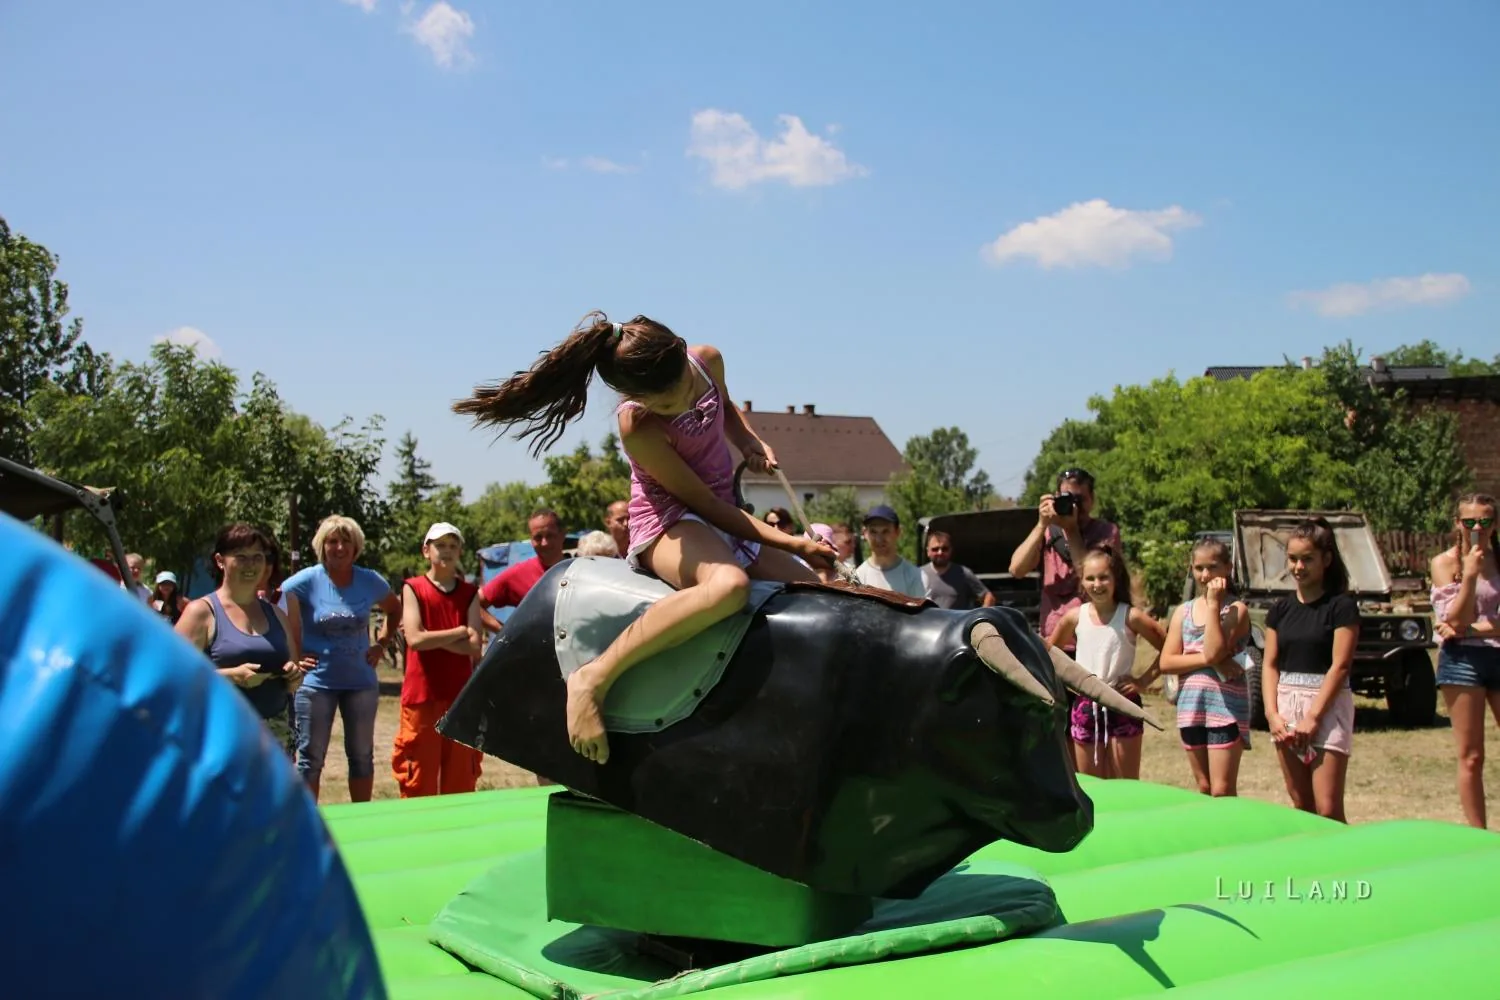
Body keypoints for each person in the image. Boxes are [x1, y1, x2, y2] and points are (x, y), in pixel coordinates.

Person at [452, 311, 836, 765]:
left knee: (823, 593)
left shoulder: (707, 361)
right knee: (727, 587)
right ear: (634, 397)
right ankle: (593, 678)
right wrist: (793, 543)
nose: (681, 406)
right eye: (666, 405)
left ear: (681, 352)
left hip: (720, 509)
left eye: (682, 394)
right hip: (671, 519)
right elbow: (708, 508)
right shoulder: (638, 426)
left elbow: (726, 409)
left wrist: (749, 442)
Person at [281, 514, 403, 803]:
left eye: (345, 541)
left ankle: (361, 821)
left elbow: (394, 610)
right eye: (332, 541)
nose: (339, 547)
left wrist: (381, 644)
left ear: (356, 546)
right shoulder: (307, 580)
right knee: (310, 759)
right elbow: (274, 605)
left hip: (360, 681)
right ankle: (311, 826)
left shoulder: (369, 580)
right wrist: (294, 655)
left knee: (362, 756)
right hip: (316, 684)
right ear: (322, 546)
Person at [175, 523, 314, 758]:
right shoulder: (201, 612)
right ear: (220, 561)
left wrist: (292, 676)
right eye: (241, 557)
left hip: (275, 737)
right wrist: (231, 676)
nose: (251, 565)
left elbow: (293, 678)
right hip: (220, 735)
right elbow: (173, 674)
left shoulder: (276, 614)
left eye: (258, 557)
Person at [1261, 517, 1359, 823]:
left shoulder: (1341, 607)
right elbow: (1270, 664)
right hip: (1286, 709)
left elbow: (1340, 665)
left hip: (1326, 709)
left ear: (1326, 560)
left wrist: (1314, 717)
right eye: (1293, 559)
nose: (1298, 567)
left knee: (1328, 809)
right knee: (1302, 805)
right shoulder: (1280, 609)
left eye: (1307, 559)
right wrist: (1272, 714)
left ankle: (1346, 869)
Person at [1045, 545, 1164, 779]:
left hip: (1122, 704)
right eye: (1090, 578)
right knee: (1092, 787)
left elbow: (1169, 648)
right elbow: (1049, 653)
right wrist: (1067, 682)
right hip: (1085, 707)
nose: (1097, 584)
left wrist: (1143, 681)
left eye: (1103, 577)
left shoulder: (1132, 616)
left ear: (1115, 579)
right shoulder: (1074, 617)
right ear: (1081, 580)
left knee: (1126, 785)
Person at [392, 522, 485, 798]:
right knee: (417, 776)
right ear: (426, 550)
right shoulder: (413, 588)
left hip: (459, 698)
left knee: (460, 779)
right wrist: (457, 632)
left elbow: (474, 646)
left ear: (460, 552)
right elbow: (415, 640)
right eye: (440, 545)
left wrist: (434, 639)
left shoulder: (468, 594)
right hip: (421, 698)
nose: (447, 551)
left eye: (453, 545)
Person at [1160, 536, 1253, 797]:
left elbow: (1213, 649)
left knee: (1221, 790)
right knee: (1203, 787)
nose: (1205, 575)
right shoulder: (1183, 612)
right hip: (1191, 707)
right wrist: (1209, 660)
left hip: (1225, 708)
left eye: (1212, 567)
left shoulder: (1236, 610)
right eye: (1199, 568)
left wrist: (1213, 604)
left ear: (1227, 569)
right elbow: (1167, 662)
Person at [1429, 492, 1500, 829]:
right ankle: (1479, 833)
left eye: (1484, 521)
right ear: (1458, 523)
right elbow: (1451, 617)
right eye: (1469, 521)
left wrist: (1467, 628)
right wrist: (1469, 575)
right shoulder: (1445, 563)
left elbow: (1458, 624)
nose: (1477, 527)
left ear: (1494, 524)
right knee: (1471, 756)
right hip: (1462, 662)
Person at [1008, 468, 1121, 651]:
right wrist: (1041, 524)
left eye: (1080, 499)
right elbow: (1016, 569)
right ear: (1056, 498)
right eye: (1067, 499)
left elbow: (1091, 578)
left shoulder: (1107, 532)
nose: (1074, 506)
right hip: (1054, 640)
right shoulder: (1048, 531)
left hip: (1095, 638)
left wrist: (1071, 530)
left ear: (1092, 500)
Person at [479, 509, 570, 617]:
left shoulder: (579, 570)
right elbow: (472, 603)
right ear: (531, 540)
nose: (544, 543)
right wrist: (502, 630)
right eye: (538, 537)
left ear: (562, 535)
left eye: (550, 535)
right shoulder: (518, 574)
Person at [853, 505, 925, 599]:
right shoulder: (858, 577)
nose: (879, 539)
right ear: (865, 533)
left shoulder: (915, 576)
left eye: (885, 531)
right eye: (873, 532)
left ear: (898, 532)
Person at [921, 529, 996, 610]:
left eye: (944, 549)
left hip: (957, 622)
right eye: (935, 549)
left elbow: (988, 597)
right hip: (928, 622)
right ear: (928, 551)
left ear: (951, 550)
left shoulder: (963, 573)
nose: (940, 552)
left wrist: (981, 617)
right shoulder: (918, 574)